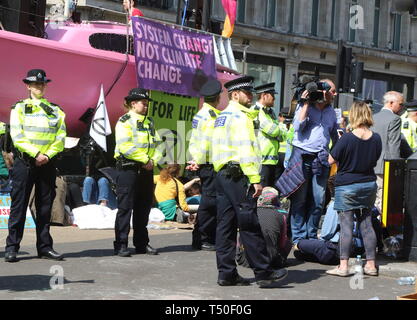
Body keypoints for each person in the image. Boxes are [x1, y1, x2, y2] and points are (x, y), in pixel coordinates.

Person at [212, 75, 288, 288]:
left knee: (225, 227)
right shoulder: (240, 118)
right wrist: (255, 179)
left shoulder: (223, 116)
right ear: (235, 94)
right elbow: (245, 149)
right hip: (239, 175)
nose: (252, 97)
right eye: (248, 93)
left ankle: (226, 273)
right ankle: (264, 273)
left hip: (222, 175)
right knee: (250, 224)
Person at [5, 69, 66, 262]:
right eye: (35, 84)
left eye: (42, 84)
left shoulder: (56, 110)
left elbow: (61, 137)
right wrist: (36, 154)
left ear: (45, 86)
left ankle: (45, 247)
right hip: (25, 163)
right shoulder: (19, 108)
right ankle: (12, 247)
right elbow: (17, 136)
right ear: (28, 86)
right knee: (19, 205)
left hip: (47, 163)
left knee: (45, 206)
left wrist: (47, 154)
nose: (39, 87)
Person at [276, 79, 339, 245]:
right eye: (332, 91)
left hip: (321, 158)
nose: (335, 94)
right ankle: (298, 238)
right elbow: (298, 126)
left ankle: (311, 236)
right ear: (323, 92)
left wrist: (336, 156)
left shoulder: (331, 111)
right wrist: (305, 103)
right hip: (302, 157)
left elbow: (334, 136)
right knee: (300, 200)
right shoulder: (305, 107)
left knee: (318, 201)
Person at [326, 101, 382, 277]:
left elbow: (330, 160)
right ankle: (371, 265)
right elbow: (374, 159)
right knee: (366, 224)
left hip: (347, 185)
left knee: (346, 226)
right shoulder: (376, 138)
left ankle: (343, 266)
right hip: (368, 184)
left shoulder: (348, 138)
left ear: (354, 115)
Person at [113, 88, 162, 257]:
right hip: (129, 169)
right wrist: (145, 160)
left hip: (146, 170)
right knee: (125, 208)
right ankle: (121, 244)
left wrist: (153, 160)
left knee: (143, 208)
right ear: (133, 104)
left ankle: (142, 243)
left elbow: (157, 145)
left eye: (147, 104)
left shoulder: (149, 122)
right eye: (144, 103)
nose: (146, 106)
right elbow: (125, 146)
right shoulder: (124, 121)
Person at [187, 78, 223, 251]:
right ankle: (203, 238)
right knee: (210, 203)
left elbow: (196, 141)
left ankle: (203, 237)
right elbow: (207, 142)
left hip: (206, 163)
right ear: (217, 97)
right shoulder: (210, 116)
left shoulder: (204, 114)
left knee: (209, 202)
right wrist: (199, 161)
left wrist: (196, 160)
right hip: (209, 164)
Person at [372, 91, 404, 214]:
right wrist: (397, 169)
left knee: (373, 198)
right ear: (391, 103)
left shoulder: (373, 117)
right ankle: (380, 228)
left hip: (371, 164)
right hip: (385, 166)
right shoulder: (395, 119)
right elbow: (394, 145)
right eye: (400, 104)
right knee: (383, 198)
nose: (402, 107)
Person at [251, 83, 286, 188]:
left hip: (272, 161)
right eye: (272, 95)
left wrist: (279, 131)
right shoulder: (256, 110)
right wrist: (279, 130)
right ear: (264, 95)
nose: (274, 98)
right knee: (261, 195)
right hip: (261, 161)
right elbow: (273, 130)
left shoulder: (271, 112)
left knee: (270, 194)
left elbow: (282, 135)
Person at [80, 137, 117, 209]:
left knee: (103, 180)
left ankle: (103, 203)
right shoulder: (90, 159)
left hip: (108, 198)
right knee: (88, 180)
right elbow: (84, 164)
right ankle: (84, 204)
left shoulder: (108, 156)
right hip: (95, 198)